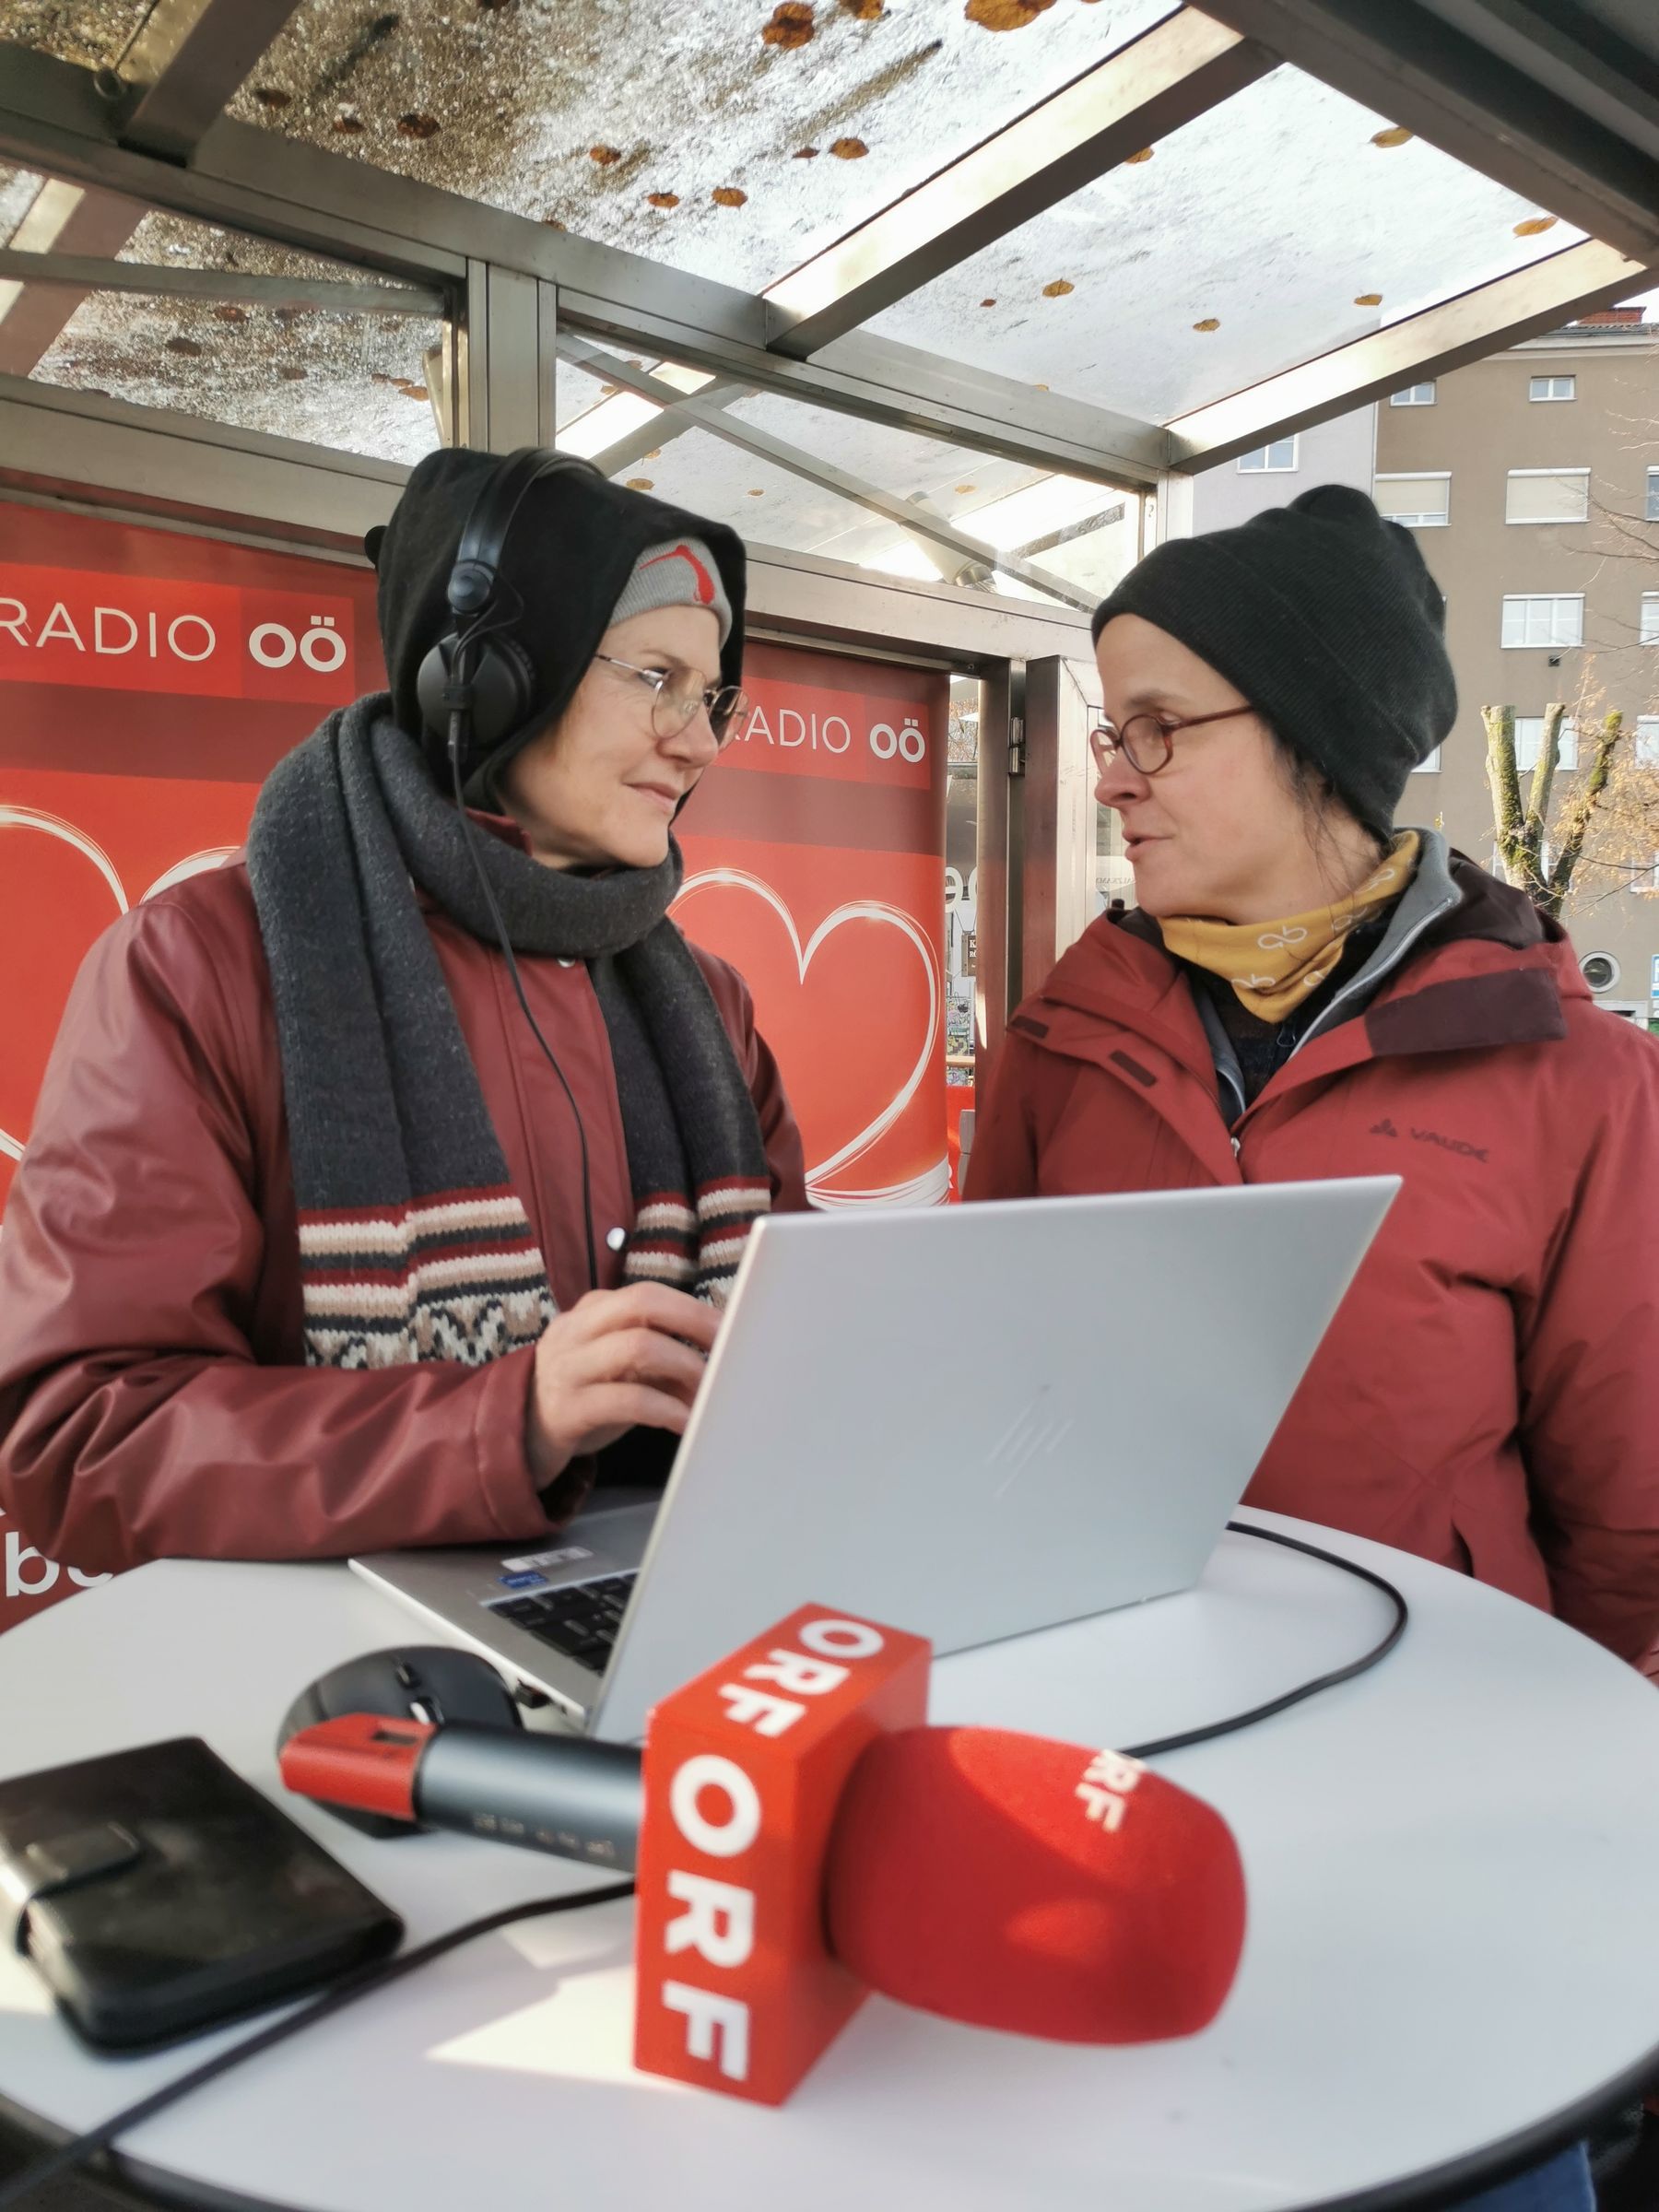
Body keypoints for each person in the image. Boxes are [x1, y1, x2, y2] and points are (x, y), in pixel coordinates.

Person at [0, 448, 806, 1571]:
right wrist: (506, 1421)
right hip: (334, 1684)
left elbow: (796, 1325)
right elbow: (81, 1438)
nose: (701, 740)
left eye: (712, 696)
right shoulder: (200, 965)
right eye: (655, 679)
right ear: (484, 679)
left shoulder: (713, 1010)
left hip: (686, 1610)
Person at [970, 486, 1659, 1683]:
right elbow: (976, 1399)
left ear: (1316, 732)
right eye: (1110, 735)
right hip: (1112, 1710)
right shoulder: (1059, 1043)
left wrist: (1531, 1730)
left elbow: (1628, 1522)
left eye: (1159, 727)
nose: (1115, 781)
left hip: (1431, 1736)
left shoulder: (1581, 1083)